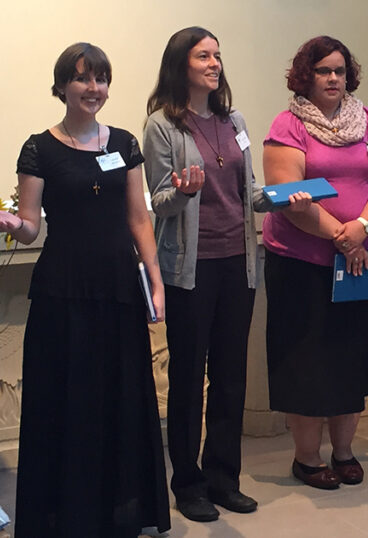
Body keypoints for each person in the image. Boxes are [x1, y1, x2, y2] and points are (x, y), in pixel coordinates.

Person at [0, 43, 170, 536]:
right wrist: (12, 224)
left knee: (119, 398)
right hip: (63, 291)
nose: (93, 88)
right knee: (67, 402)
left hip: (119, 288)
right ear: (62, 85)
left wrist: (154, 279)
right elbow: (29, 227)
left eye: (101, 79)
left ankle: (119, 512)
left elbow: (138, 218)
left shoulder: (124, 143)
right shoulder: (39, 148)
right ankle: (69, 516)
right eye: (83, 78)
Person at [262, 35, 368, 490]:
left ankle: (344, 452)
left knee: (352, 359)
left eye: (339, 71)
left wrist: (362, 227)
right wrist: (343, 238)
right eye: (323, 70)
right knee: (307, 362)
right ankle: (307, 458)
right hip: (302, 264)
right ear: (305, 76)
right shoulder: (288, 125)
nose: (332, 78)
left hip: (362, 261)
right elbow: (290, 197)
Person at [143, 26, 268, 522]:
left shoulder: (234, 120)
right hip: (189, 270)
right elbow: (159, 201)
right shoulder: (162, 125)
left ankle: (223, 479)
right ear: (181, 65)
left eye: (217, 55)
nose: (214, 63)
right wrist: (185, 192)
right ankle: (188, 484)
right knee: (189, 377)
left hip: (239, 264)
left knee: (231, 377)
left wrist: (283, 198)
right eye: (203, 56)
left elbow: (249, 191)